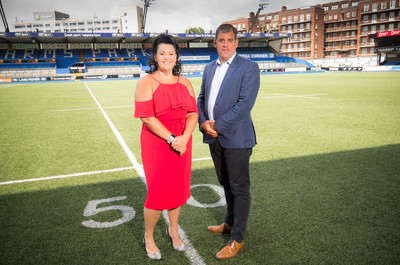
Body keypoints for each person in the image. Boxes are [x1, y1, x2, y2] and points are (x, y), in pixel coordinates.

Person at [197, 24, 260, 260]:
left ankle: (238, 238)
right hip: (214, 137)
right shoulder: (208, 68)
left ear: (236, 42)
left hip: (237, 138)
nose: (225, 44)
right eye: (221, 40)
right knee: (225, 182)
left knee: (239, 188)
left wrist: (217, 125)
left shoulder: (249, 67)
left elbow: (245, 104)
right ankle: (229, 223)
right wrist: (204, 122)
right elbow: (201, 98)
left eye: (230, 40)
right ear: (215, 42)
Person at [134, 34, 199, 260]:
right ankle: (148, 236)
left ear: (176, 57)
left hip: (183, 141)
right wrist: (173, 139)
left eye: (171, 53)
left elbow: (193, 113)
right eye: (162, 53)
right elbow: (147, 118)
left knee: (178, 189)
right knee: (158, 192)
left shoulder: (185, 82)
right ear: (155, 56)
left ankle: (172, 229)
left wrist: (185, 136)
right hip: (158, 143)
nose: (167, 57)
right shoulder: (146, 82)